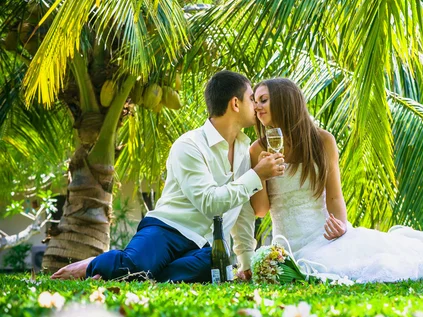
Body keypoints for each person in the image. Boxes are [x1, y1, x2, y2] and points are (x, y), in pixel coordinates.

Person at [250, 78, 423, 283]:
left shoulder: (322, 141)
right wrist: (261, 174)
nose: (257, 106)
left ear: (285, 102)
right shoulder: (257, 149)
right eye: (255, 100)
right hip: (287, 245)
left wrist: (342, 227)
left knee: (383, 259)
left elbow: (334, 196)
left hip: (323, 238)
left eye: (264, 99)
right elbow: (261, 210)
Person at [52, 71, 285, 282]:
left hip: (204, 246)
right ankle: (94, 264)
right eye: (252, 98)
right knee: (136, 266)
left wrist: (245, 263)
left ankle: (139, 274)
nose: (256, 105)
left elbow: (241, 211)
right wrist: (256, 175)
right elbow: (209, 203)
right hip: (167, 229)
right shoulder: (190, 145)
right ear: (235, 103)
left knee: (217, 271)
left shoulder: (246, 151)